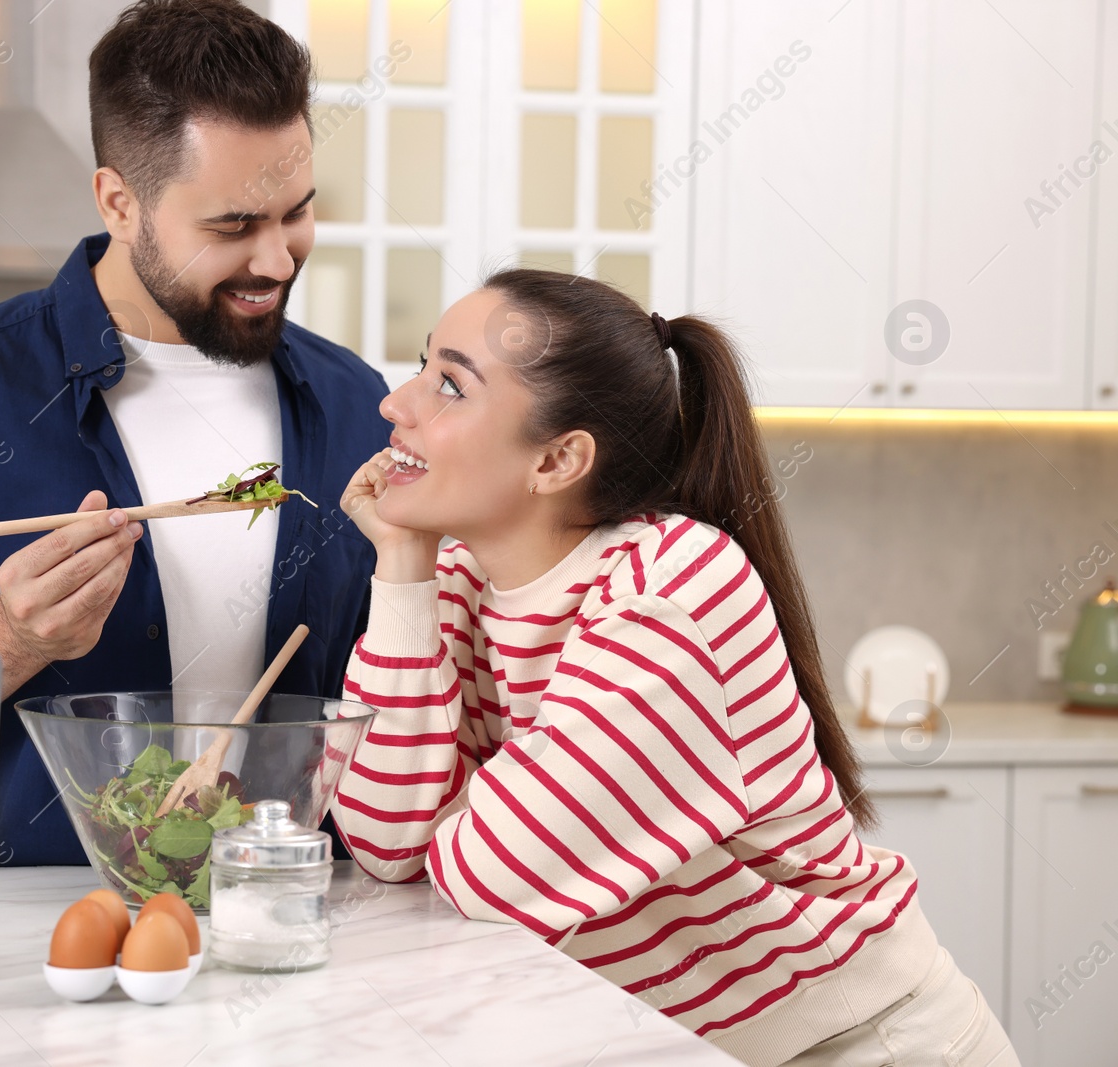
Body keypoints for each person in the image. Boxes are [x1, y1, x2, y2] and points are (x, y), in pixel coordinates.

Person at [331, 270, 1019, 1067]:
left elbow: (490, 876)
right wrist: (402, 564)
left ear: (557, 459)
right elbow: (384, 841)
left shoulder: (673, 591)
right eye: (422, 366)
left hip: (868, 1045)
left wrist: (453, 809)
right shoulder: (452, 579)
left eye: (449, 385)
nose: (395, 404)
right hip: (707, 1045)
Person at [0, 0, 389, 865]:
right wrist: (9, 637)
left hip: (286, 916)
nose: (278, 259)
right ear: (119, 202)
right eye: (232, 226)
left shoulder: (355, 400)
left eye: (296, 211)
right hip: (27, 937)